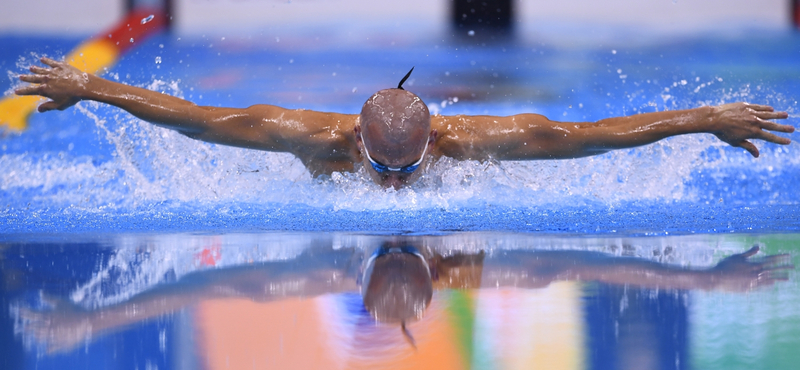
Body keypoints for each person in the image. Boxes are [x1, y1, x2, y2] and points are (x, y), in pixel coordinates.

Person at [15, 58, 794, 189]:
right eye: (385, 171)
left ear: (432, 144)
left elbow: (592, 135)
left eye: (408, 171)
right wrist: (93, 85)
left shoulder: (476, 141)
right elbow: (193, 120)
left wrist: (706, 117)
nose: (395, 186)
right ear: (357, 142)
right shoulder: (302, 132)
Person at [16, 237, 791, 354]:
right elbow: (598, 265)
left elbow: (206, 282)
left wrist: (99, 316)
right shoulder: (479, 264)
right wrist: (701, 278)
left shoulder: (314, 270)